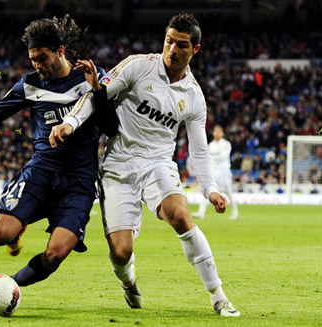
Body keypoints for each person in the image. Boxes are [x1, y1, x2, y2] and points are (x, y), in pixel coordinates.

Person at [50, 13, 240, 317]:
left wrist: (210, 189)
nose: (172, 50)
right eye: (169, 41)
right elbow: (95, 92)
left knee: (181, 216)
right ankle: (128, 282)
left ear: (195, 50)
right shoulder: (138, 65)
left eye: (181, 45)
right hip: (118, 165)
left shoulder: (194, 96)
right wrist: (70, 122)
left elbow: (199, 149)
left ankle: (218, 295)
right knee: (122, 251)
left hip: (158, 164)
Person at [0, 15, 118, 285]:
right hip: (42, 170)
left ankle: (11, 286)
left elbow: (111, 128)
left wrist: (98, 91)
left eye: (42, 58)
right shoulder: (29, 84)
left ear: (60, 51)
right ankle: (20, 223)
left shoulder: (91, 76)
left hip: (79, 179)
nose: (37, 65)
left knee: (55, 254)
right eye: (33, 59)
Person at [192, 125, 239, 220]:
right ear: (213, 133)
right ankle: (201, 212)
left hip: (224, 171)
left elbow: (223, 157)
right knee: (209, 190)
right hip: (213, 171)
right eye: (215, 131)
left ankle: (235, 211)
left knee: (229, 192)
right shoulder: (210, 145)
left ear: (222, 133)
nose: (217, 133)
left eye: (219, 131)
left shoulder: (226, 144)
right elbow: (208, 158)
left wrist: (213, 158)